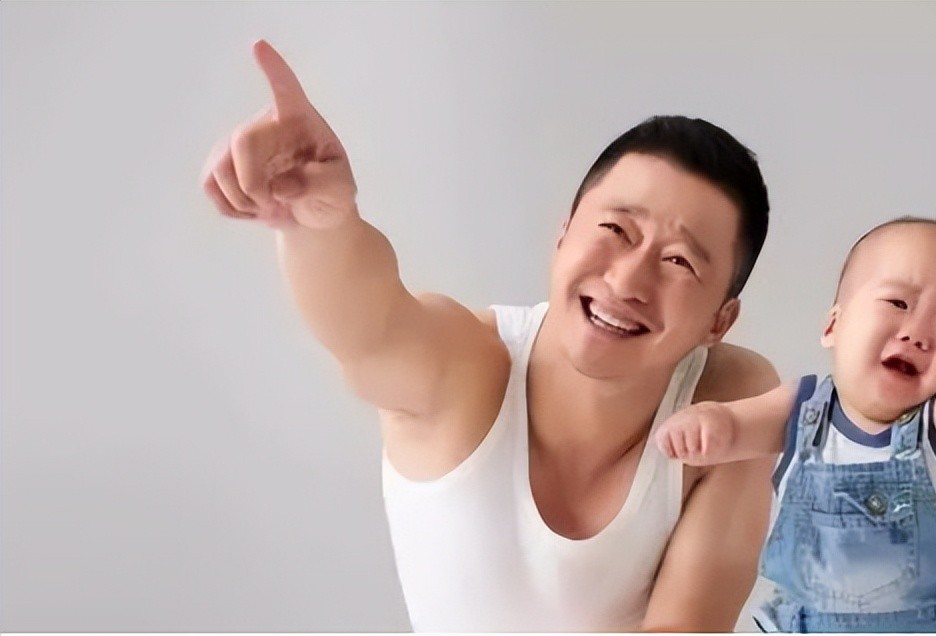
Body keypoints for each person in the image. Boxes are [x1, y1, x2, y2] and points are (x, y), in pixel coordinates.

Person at [200, 40, 781, 631]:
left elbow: (688, 624)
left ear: (719, 321)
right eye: (616, 229)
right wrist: (322, 226)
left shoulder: (732, 403)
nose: (627, 281)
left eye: (679, 261)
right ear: (564, 232)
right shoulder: (467, 366)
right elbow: (370, 331)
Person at [655, 217, 936, 632]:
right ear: (833, 325)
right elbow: (736, 425)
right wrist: (705, 423)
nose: (918, 333)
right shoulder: (803, 407)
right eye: (898, 303)